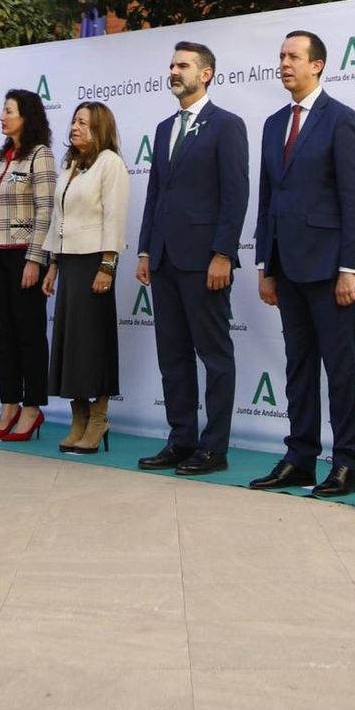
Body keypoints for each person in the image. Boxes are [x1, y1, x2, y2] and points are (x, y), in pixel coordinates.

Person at [251, 30, 355, 499]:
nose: (284, 63)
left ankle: (347, 463)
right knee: (298, 367)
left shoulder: (341, 119)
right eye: (281, 56)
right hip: (286, 266)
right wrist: (265, 264)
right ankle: (299, 458)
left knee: (340, 369)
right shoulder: (272, 124)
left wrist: (349, 268)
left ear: (317, 65)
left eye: (293, 57)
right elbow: (267, 199)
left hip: (329, 268)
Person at [135, 40, 250, 474]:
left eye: (182, 65)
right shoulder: (164, 128)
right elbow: (156, 193)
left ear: (205, 74)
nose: (174, 71)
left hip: (205, 262)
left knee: (215, 356)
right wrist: (146, 249)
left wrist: (223, 254)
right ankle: (180, 440)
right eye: (171, 65)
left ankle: (214, 448)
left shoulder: (227, 125)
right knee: (173, 356)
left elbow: (236, 194)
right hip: (164, 259)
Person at [44, 101, 131, 453]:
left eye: (83, 122)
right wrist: (53, 264)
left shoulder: (110, 163)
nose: (75, 127)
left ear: (99, 128)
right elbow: (58, 217)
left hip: (95, 262)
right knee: (70, 344)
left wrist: (107, 265)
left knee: (94, 344)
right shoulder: (70, 164)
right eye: (74, 121)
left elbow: (114, 216)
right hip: (68, 263)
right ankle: (78, 416)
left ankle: (98, 418)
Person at [0, 89, 56, 443]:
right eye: (2, 111)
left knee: (30, 334)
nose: (2, 117)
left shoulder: (41, 155)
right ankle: (8, 405)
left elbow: (46, 210)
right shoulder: (2, 156)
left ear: (26, 116)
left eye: (9, 111)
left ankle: (32, 408)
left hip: (24, 254)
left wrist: (35, 259)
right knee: (4, 334)